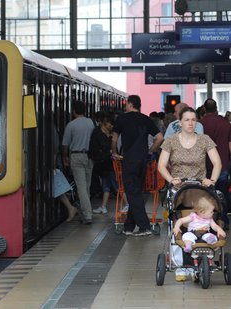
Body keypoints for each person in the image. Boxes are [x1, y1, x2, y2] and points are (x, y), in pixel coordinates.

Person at [158, 106, 221, 281]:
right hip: (179, 189)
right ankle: (181, 264)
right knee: (178, 223)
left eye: (193, 120)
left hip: (200, 189)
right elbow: (161, 165)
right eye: (187, 120)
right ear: (180, 122)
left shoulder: (204, 140)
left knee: (205, 222)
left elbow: (217, 163)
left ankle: (203, 258)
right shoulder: (170, 141)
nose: (191, 123)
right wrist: (171, 179)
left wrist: (212, 180)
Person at [111, 95, 163, 237]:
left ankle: (144, 227)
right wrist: (150, 151)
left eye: (126, 104)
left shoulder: (121, 118)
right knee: (135, 191)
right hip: (143, 162)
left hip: (129, 160)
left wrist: (114, 152)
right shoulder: (146, 119)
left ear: (129, 104)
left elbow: (114, 139)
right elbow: (159, 138)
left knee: (132, 193)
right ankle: (129, 226)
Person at [200, 98, 231, 230]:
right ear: (216, 108)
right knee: (221, 194)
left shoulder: (200, 124)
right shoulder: (226, 124)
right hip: (222, 164)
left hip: (205, 166)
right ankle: (223, 221)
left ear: (204, 109)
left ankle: (207, 222)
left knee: (205, 196)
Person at [62, 100, 95, 224]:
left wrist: (65, 157)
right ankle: (85, 211)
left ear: (74, 111)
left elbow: (65, 144)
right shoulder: (91, 123)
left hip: (76, 156)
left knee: (81, 186)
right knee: (87, 185)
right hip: (89, 157)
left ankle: (87, 215)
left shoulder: (71, 125)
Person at [89, 112, 116, 214]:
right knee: (107, 185)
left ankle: (128, 204)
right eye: (110, 124)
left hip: (111, 164)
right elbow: (96, 149)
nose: (112, 126)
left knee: (116, 185)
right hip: (105, 164)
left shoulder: (110, 134)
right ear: (105, 123)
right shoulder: (97, 134)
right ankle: (103, 206)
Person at [53, 125, 78, 222]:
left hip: (52, 164)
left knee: (56, 187)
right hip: (53, 163)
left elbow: (55, 148)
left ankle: (70, 207)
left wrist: (54, 163)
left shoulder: (51, 129)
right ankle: (70, 207)